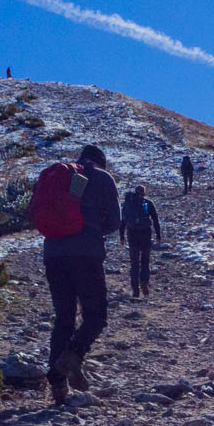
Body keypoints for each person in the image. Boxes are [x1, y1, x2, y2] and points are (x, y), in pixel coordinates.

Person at [44, 143, 120, 403]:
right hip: (86, 254)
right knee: (95, 316)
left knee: (64, 318)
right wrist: (94, 226)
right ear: (101, 161)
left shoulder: (64, 177)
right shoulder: (102, 177)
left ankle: (58, 386)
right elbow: (114, 222)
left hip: (54, 255)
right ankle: (72, 357)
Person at [119, 184, 163, 298]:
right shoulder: (148, 203)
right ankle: (144, 281)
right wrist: (158, 235)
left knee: (134, 263)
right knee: (145, 261)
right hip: (145, 233)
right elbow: (155, 220)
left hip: (132, 234)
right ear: (144, 192)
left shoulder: (128, 203)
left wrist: (121, 236)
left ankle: (135, 290)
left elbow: (122, 220)